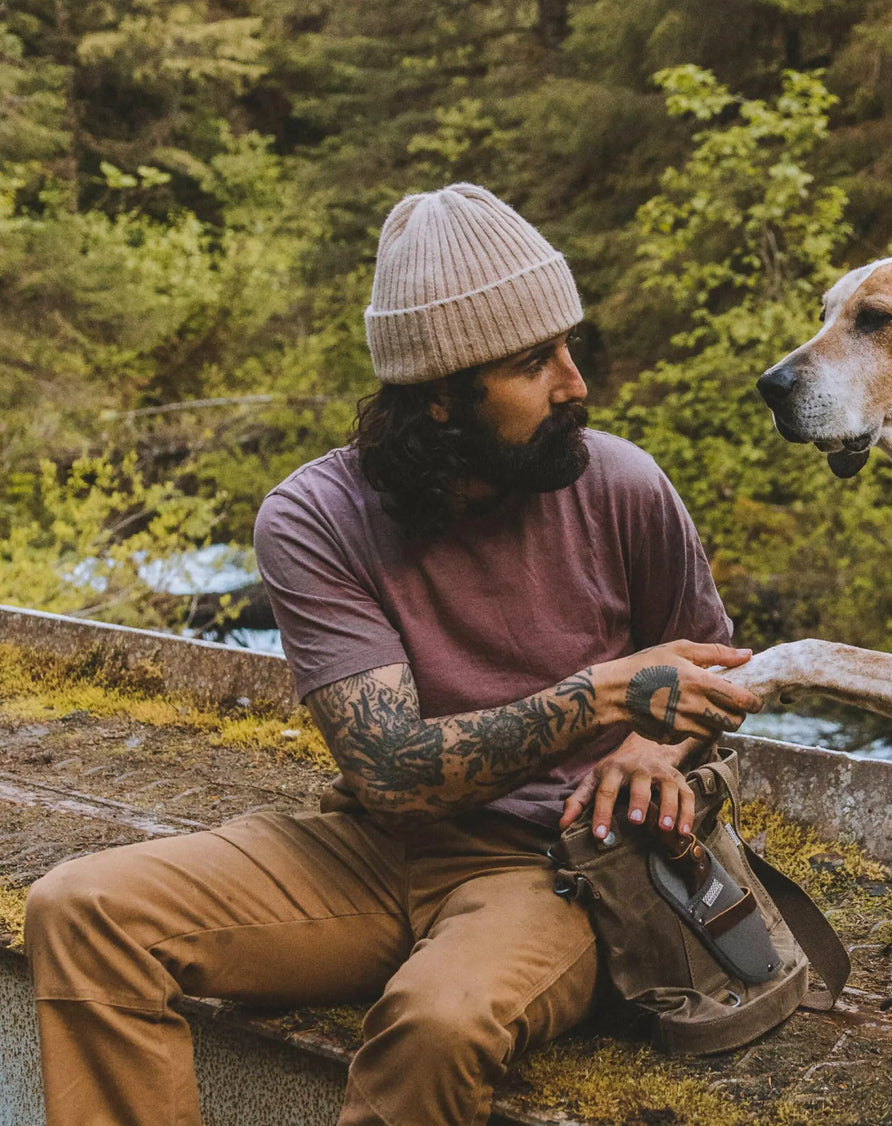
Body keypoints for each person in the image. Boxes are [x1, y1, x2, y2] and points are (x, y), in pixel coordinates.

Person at [24, 183, 762, 1126]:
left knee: (439, 1021)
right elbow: (393, 774)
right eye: (536, 362)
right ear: (443, 398)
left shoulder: (622, 485)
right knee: (80, 909)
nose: (576, 384)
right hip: (376, 851)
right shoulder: (314, 519)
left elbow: (724, 677)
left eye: (568, 348)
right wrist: (601, 698)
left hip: (560, 865)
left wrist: (650, 750)